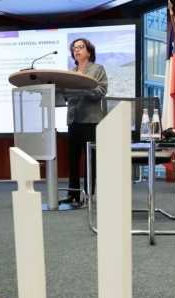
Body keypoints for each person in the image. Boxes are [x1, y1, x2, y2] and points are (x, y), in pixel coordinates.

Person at [62, 38, 108, 205]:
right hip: (73, 119)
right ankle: (73, 194)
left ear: (89, 51)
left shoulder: (97, 69)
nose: (77, 50)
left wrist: (83, 87)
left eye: (81, 47)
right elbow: (66, 94)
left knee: (90, 159)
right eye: (74, 48)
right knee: (73, 159)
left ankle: (89, 194)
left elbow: (101, 91)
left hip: (90, 120)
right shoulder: (71, 72)